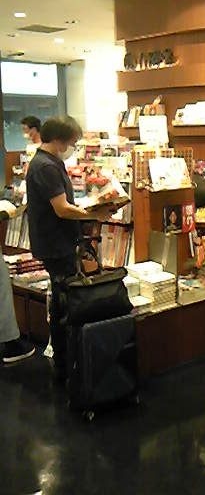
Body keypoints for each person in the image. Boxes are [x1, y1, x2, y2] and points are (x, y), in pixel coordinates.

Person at [26, 116, 113, 380]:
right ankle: (66, 360)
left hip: (56, 241)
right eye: (72, 141)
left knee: (63, 297)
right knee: (65, 301)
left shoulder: (48, 162)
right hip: (56, 243)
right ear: (59, 139)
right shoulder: (46, 167)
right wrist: (93, 214)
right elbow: (62, 209)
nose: (73, 146)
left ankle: (65, 358)